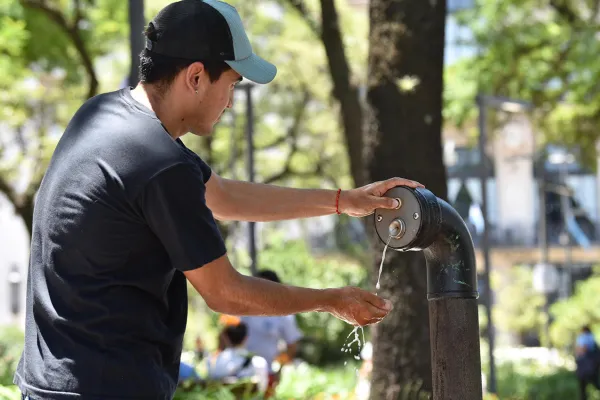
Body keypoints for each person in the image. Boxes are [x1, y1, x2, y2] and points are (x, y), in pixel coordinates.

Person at [13, 1, 423, 399]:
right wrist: (329, 300)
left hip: (50, 380)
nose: (230, 102)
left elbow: (222, 195)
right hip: (105, 387)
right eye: (231, 84)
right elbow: (225, 293)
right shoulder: (159, 162)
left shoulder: (103, 117)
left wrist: (343, 200)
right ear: (195, 76)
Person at [240, 270, 304, 396]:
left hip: (267, 373)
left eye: (262, 286)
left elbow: (292, 345)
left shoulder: (284, 314)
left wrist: (279, 370)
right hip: (240, 372)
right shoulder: (243, 307)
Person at [206, 322, 269, 394]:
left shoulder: (213, 361)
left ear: (227, 338)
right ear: (245, 338)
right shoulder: (258, 363)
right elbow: (262, 390)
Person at [575, 326, 600, 400]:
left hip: (585, 366)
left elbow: (582, 349)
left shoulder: (583, 337)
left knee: (583, 386)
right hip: (593, 366)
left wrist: (579, 353)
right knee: (595, 382)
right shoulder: (592, 337)